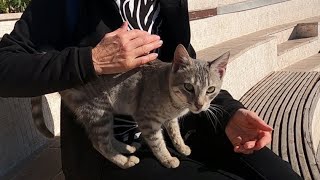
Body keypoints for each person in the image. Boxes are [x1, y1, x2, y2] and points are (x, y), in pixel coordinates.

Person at [0, 0, 302, 179]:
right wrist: (90, 60)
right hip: (108, 148)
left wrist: (229, 113)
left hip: (177, 121)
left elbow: (184, 69)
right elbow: (5, 67)